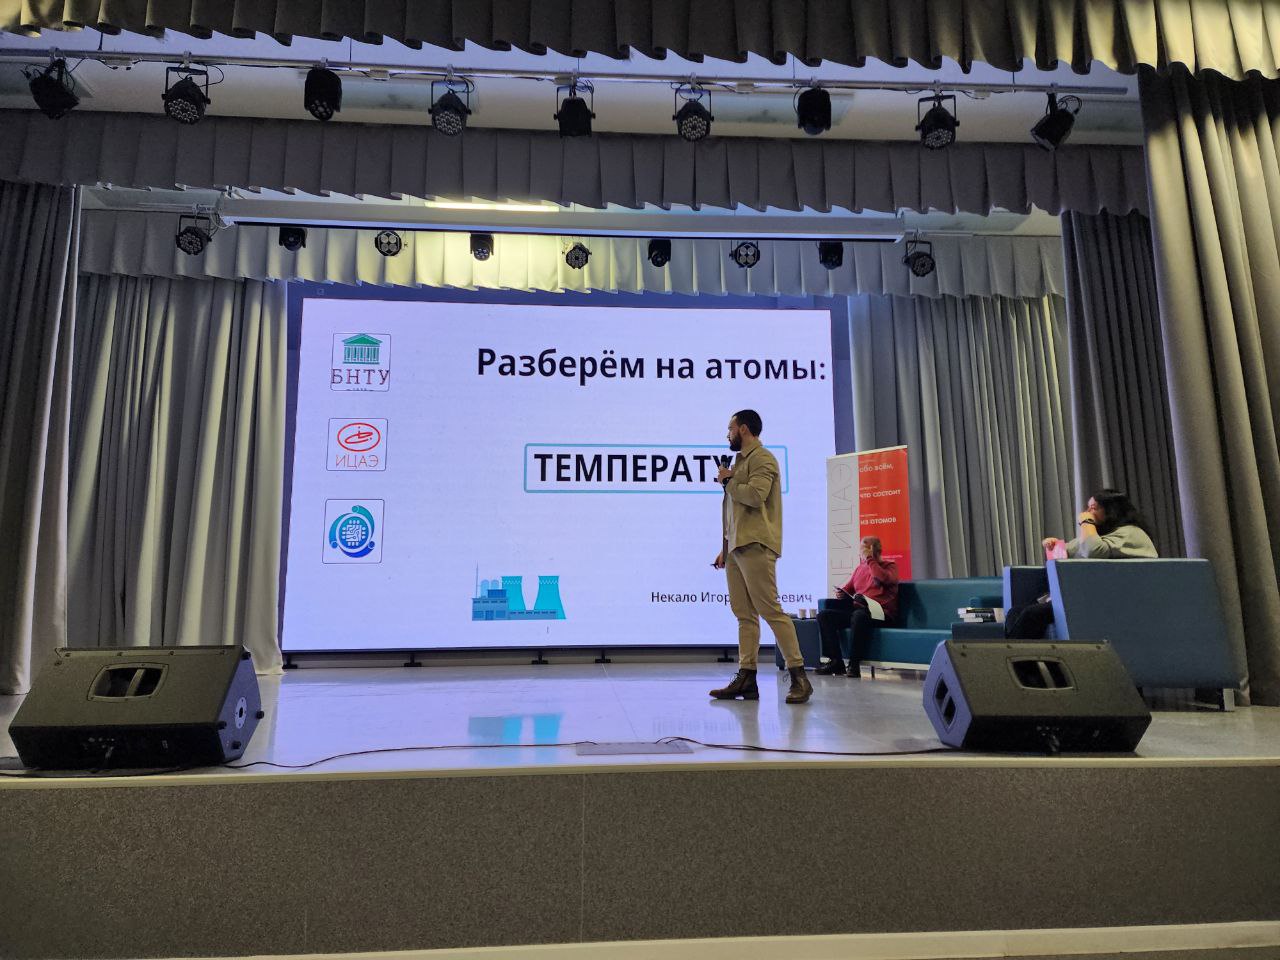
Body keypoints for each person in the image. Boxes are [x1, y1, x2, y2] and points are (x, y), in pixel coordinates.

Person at [709, 409, 813, 705]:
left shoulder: (763, 459)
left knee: (770, 610)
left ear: (743, 429)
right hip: (736, 547)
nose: (727, 434)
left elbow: (755, 497)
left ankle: (799, 677)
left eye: (730, 429)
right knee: (744, 614)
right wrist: (725, 546)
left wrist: (728, 482)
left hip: (755, 544)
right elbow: (735, 512)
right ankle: (747, 677)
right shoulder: (740, 462)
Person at [1006, 488, 1159, 639]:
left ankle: (1017, 653)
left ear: (1111, 510)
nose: (1088, 512)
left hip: (1114, 600)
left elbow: (1093, 551)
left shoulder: (1132, 532)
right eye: (1088, 508)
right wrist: (1055, 546)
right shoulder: (1102, 534)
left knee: (1031, 614)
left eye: (1094, 508)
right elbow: (1069, 551)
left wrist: (1086, 522)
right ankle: (1018, 654)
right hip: (1088, 596)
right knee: (1015, 612)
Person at [816, 536, 899, 678]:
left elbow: (882, 578)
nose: (860, 551)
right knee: (824, 616)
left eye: (863, 548)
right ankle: (836, 662)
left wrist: (870, 559)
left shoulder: (890, 566)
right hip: (860, 612)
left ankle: (853, 665)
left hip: (882, 614)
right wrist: (842, 593)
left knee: (859, 616)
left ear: (873, 549)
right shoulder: (860, 569)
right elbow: (848, 588)